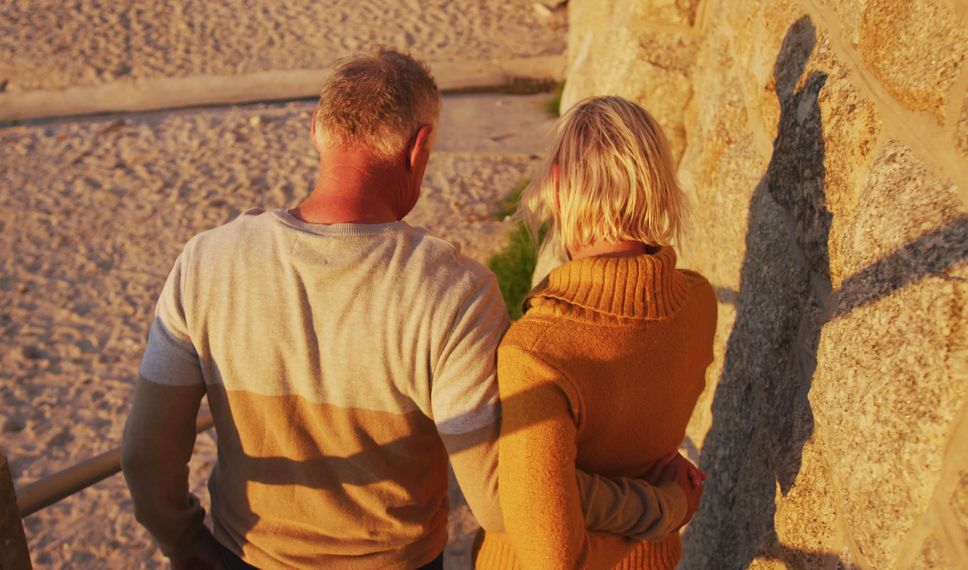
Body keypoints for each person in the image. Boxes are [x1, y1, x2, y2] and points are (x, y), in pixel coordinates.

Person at [121, 50, 696, 570]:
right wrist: (659, 502)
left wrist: (183, 539)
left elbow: (146, 453)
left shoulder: (205, 260)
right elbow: (501, 500)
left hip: (239, 552)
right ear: (419, 148)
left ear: (317, 130)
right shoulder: (454, 292)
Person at [475, 96, 716, 569]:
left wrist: (665, 508)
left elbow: (550, 560)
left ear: (559, 186)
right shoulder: (698, 302)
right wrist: (665, 508)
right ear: (655, 182)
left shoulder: (538, 353)